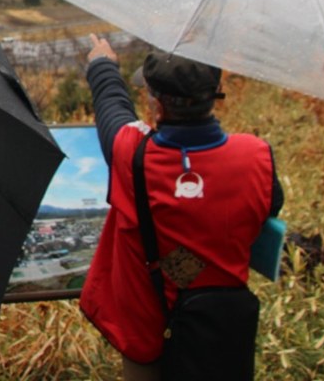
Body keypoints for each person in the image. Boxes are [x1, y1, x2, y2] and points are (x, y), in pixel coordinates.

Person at [79, 35, 284, 381]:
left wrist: (102, 64)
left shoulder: (134, 154)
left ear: (158, 107)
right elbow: (271, 207)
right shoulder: (256, 155)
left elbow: (112, 109)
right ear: (215, 94)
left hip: (151, 331)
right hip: (220, 332)